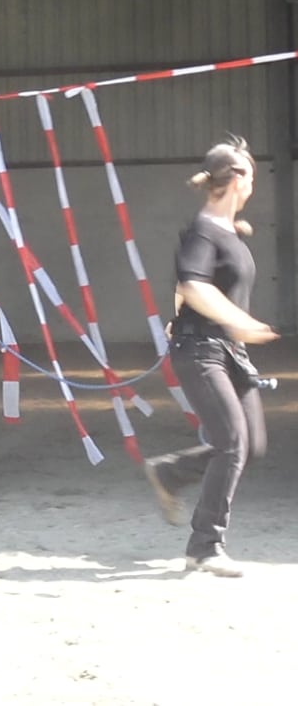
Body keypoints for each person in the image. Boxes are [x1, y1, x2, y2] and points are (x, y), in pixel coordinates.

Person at [144, 134, 279, 577]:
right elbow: (193, 283)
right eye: (252, 174)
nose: (254, 182)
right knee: (232, 442)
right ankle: (205, 545)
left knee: (249, 444)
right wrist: (236, 320)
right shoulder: (203, 229)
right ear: (237, 179)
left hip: (227, 351)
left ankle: (171, 473)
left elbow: (186, 289)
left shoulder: (228, 232)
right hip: (201, 351)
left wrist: (178, 313)